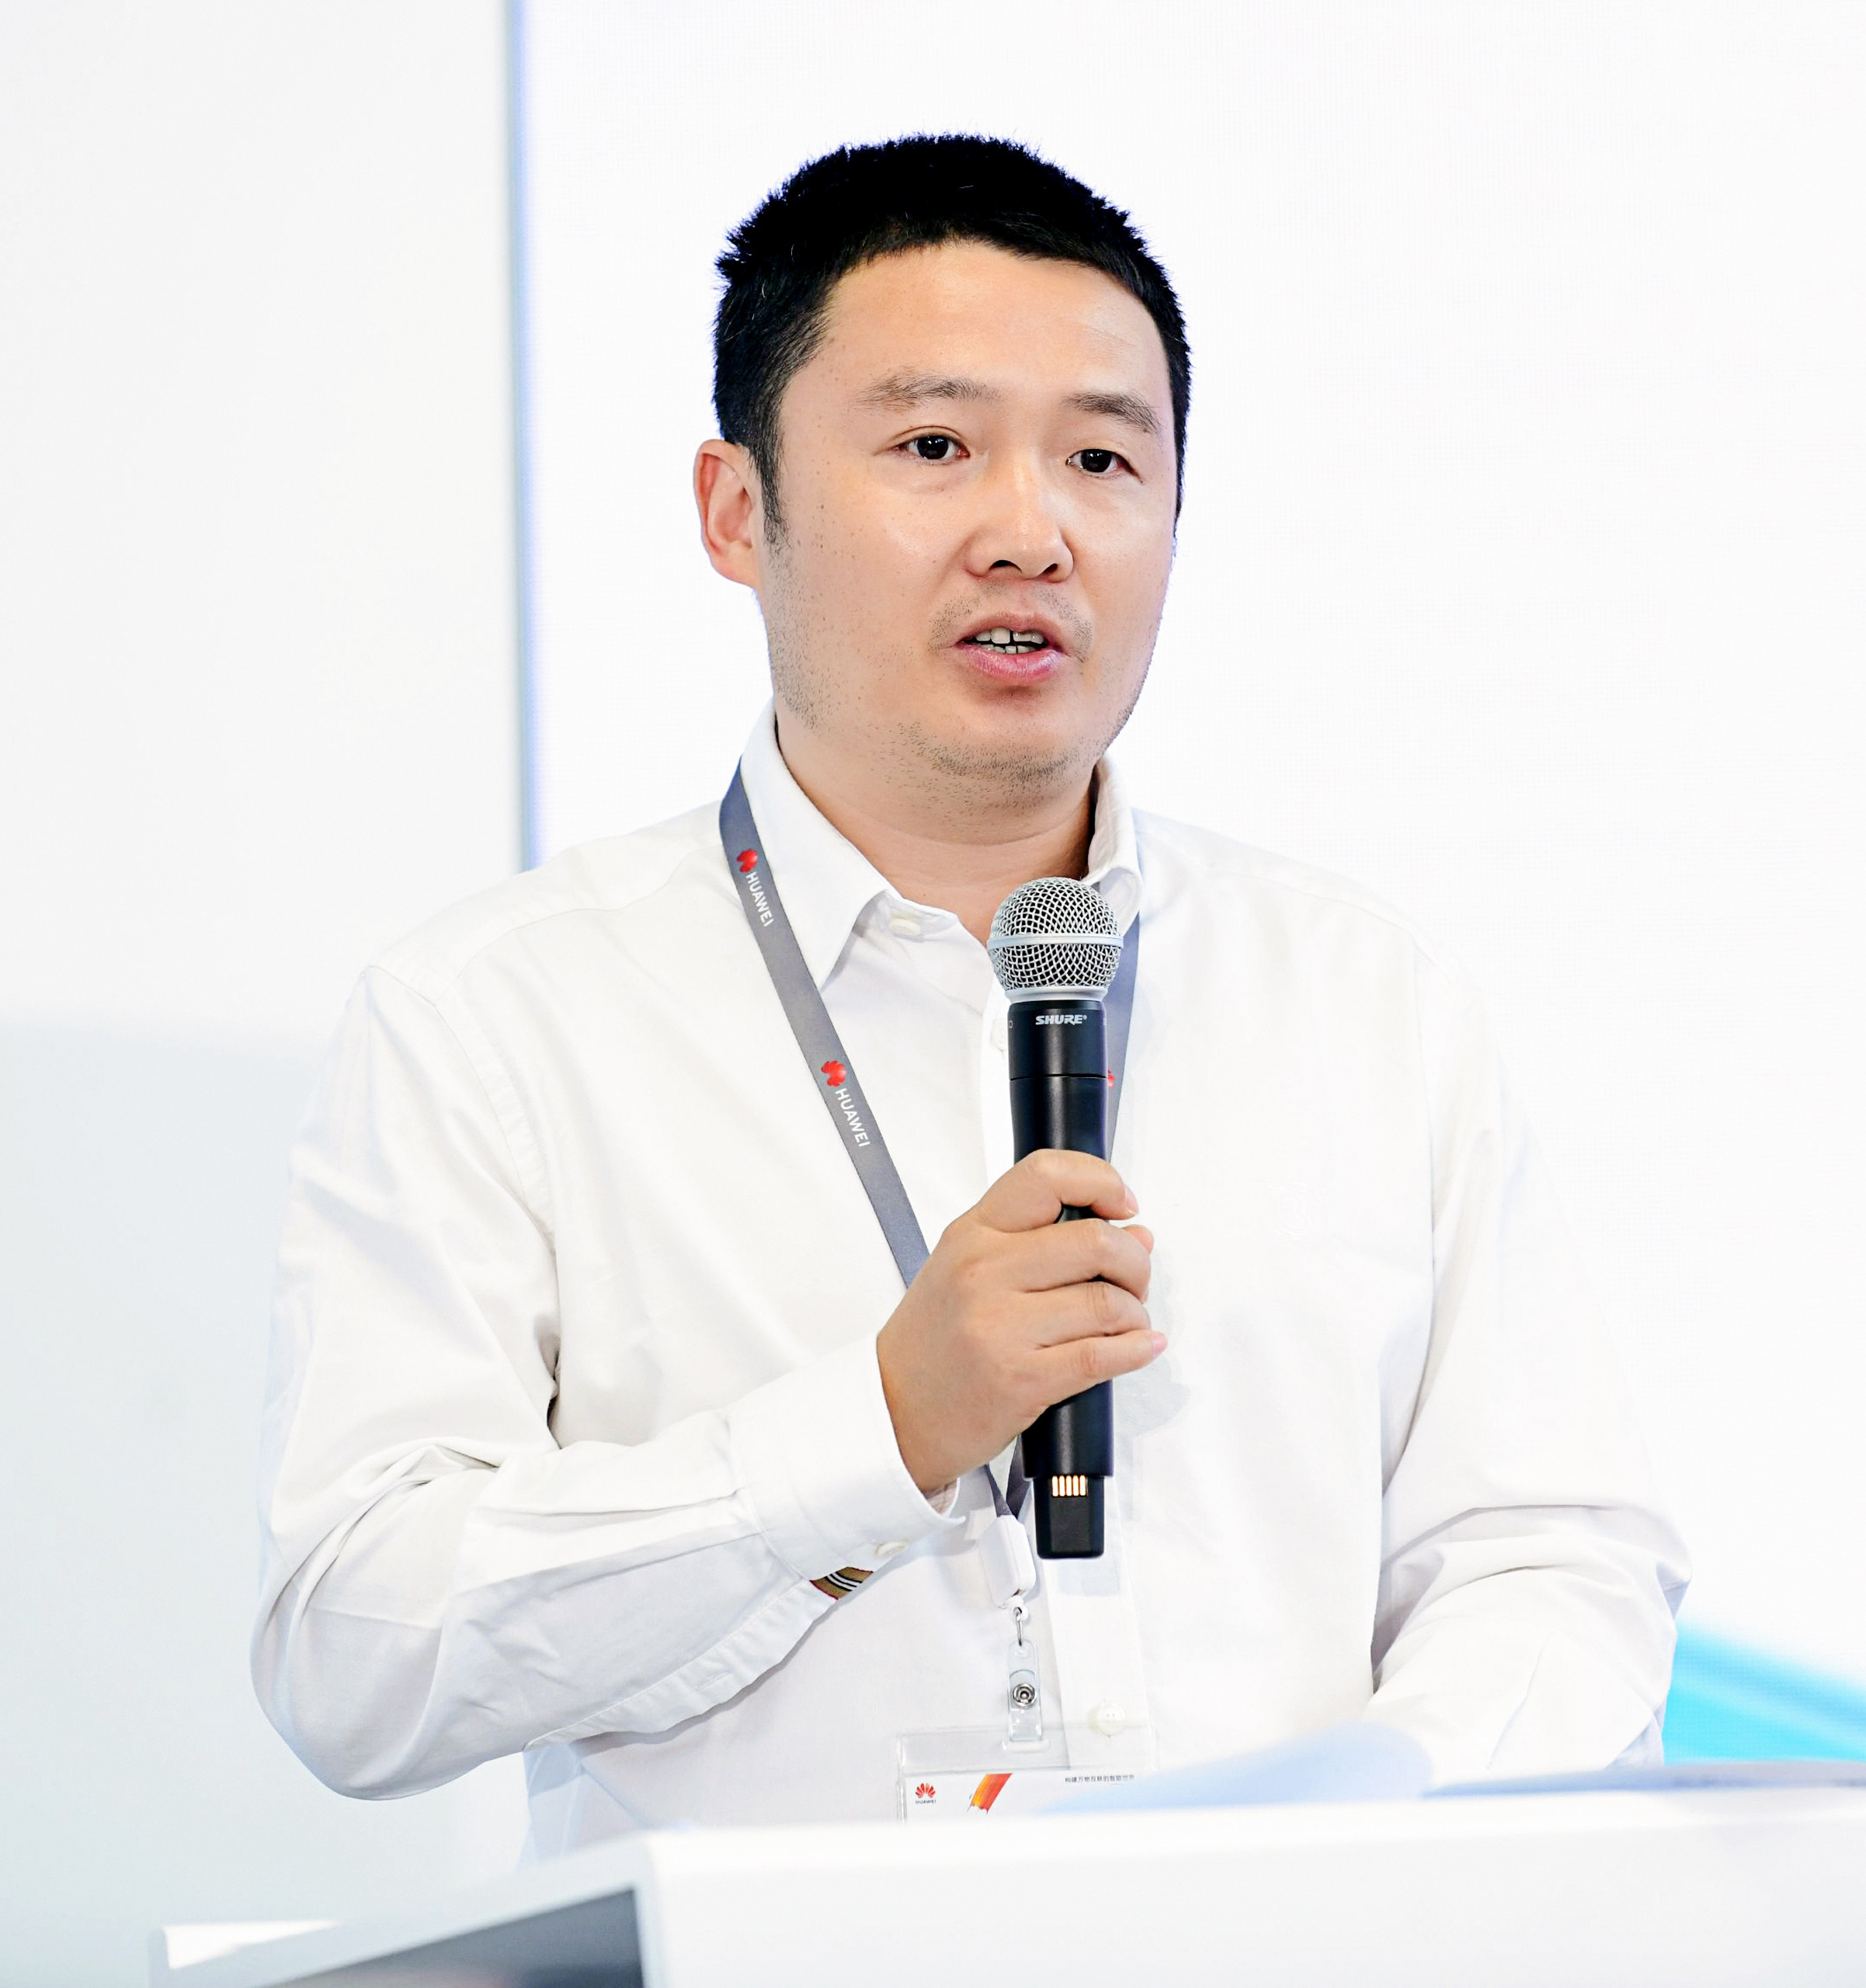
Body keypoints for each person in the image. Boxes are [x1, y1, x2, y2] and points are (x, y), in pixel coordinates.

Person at [252, 134, 1686, 1851]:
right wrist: (875, 1431)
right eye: (935, 446)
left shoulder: (1363, 996)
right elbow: (358, 1653)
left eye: (1103, 458)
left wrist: (1362, 1829)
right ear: (736, 510)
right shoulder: (497, 1017)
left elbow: (1555, 1561)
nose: (1032, 532)